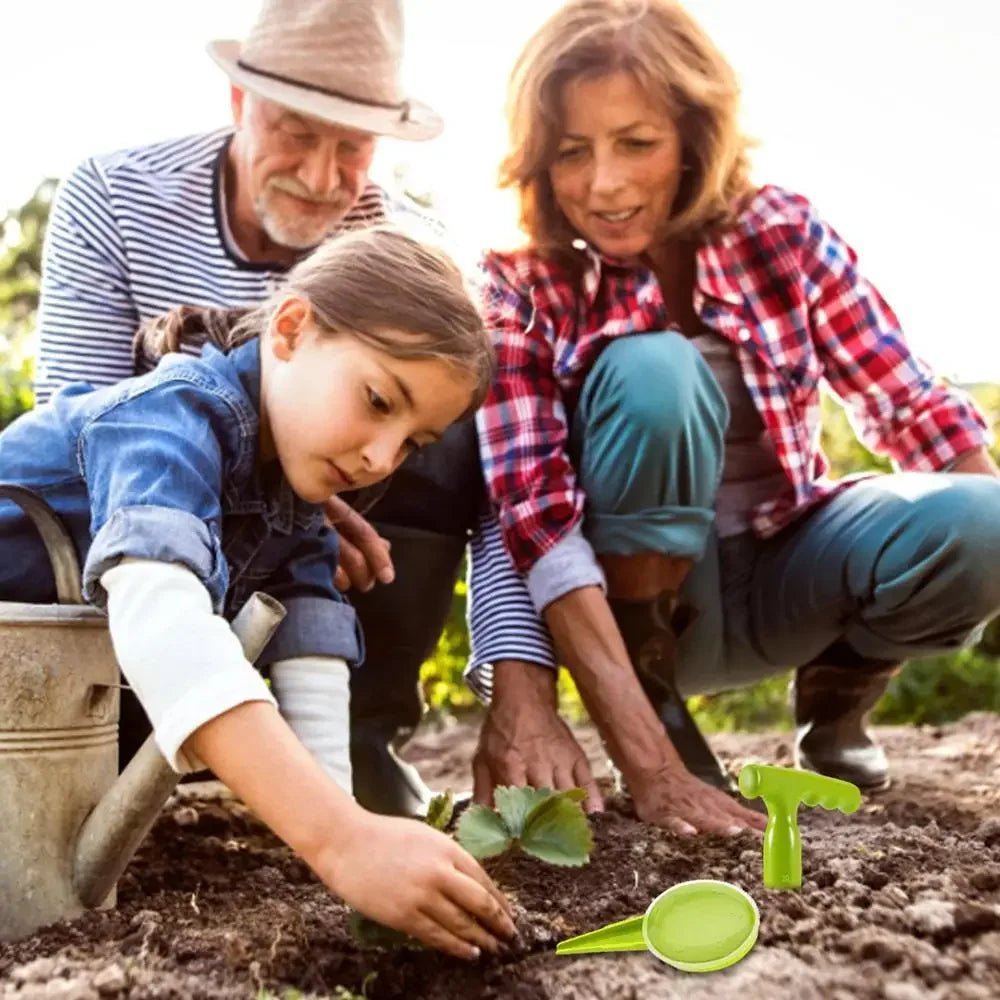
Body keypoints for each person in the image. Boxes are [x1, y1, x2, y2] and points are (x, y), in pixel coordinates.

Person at [466, 0, 1000, 837]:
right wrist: (654, 769)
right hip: (646, 614)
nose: (603, 184)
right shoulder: (521, 285)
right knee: (654, 368)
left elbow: (909, 404)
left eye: (636, 143)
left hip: (791, 566)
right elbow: (530, 520)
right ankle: (663, 717)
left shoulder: (780, 231)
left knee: (988, 519)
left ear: (692, 135)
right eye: (572, 152)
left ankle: (837, 700)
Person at [31, 0, 532, 816]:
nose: (324, 176)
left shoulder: (412, 248)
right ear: (239, 104)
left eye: (354, 147)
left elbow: (505, 484)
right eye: (298, 130)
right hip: (130, 523)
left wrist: (516, 679)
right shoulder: (115, 200)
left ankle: (362, 738)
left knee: (433, 401)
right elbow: (91, 425)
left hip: (267, 492)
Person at [0, 226, 516, 959]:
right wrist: (338, 840)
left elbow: (311, 643)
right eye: (377, 400)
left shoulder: (295, 492)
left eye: (411, 444)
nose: (379, 457)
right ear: (292, 328)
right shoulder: (167, 420)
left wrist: (340, 821)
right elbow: (162, 615)